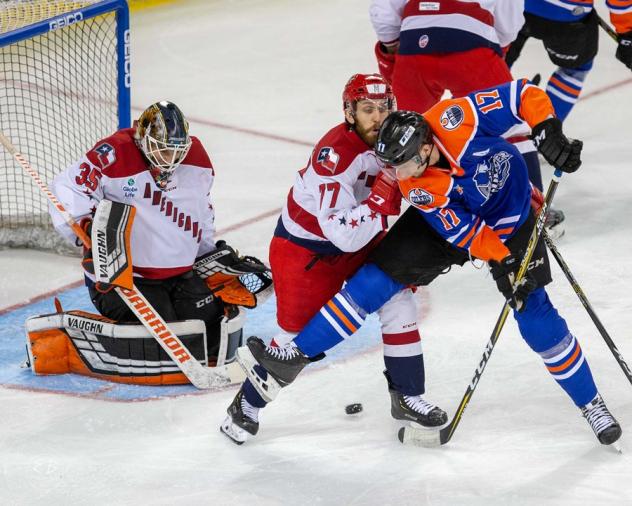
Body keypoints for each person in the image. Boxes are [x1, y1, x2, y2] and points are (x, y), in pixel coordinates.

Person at [237, 79, 622, 446]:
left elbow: (523, 94)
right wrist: (505, 260)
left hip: (512, 218)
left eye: (402, 165)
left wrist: (547, 130)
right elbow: (467, 235)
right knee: (375, 281)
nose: (397, 178)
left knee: (534, 314)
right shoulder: (416, 185)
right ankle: (295, 354)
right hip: (456, 227)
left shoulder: (457, 117)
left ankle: (592, 405)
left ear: (424, 149)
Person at [221, 74, 448, 445]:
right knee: (293, 345)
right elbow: (340, 234)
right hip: (306, 252)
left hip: (358, 237)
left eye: (384, 107)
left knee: (399, 301)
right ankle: (245, 406)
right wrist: (379, 201)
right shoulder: (335, 157)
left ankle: (408, 396)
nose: (378, 117)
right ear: (350, 112)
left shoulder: (393, 137)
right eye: (368, 109)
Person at [49, 101, 260, 374]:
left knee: (209, 330)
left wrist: (209, 256)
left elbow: (201, 212)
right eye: (162, 149)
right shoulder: (114, 153)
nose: (170, 159)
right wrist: (87, 229)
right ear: (142, 140)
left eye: (176, 151)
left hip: (181, 275)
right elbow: (67, 187)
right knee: (164, 344)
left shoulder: (197, 159)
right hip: (128, 280)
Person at [369, 0, 567, 236]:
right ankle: (535, 215)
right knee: (514, 128)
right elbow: (509, 21)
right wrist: (496, 47)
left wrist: (395, 46)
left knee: (397, 136)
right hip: (471, 41)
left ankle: (373, 215)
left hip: (414, 43)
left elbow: (384, 9)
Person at [505, 1, 632, 123]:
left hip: (514, 6)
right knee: (575, 68)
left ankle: (489, 110)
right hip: (565, 14)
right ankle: (544, 129)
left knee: (496, 55)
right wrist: (627, 33)